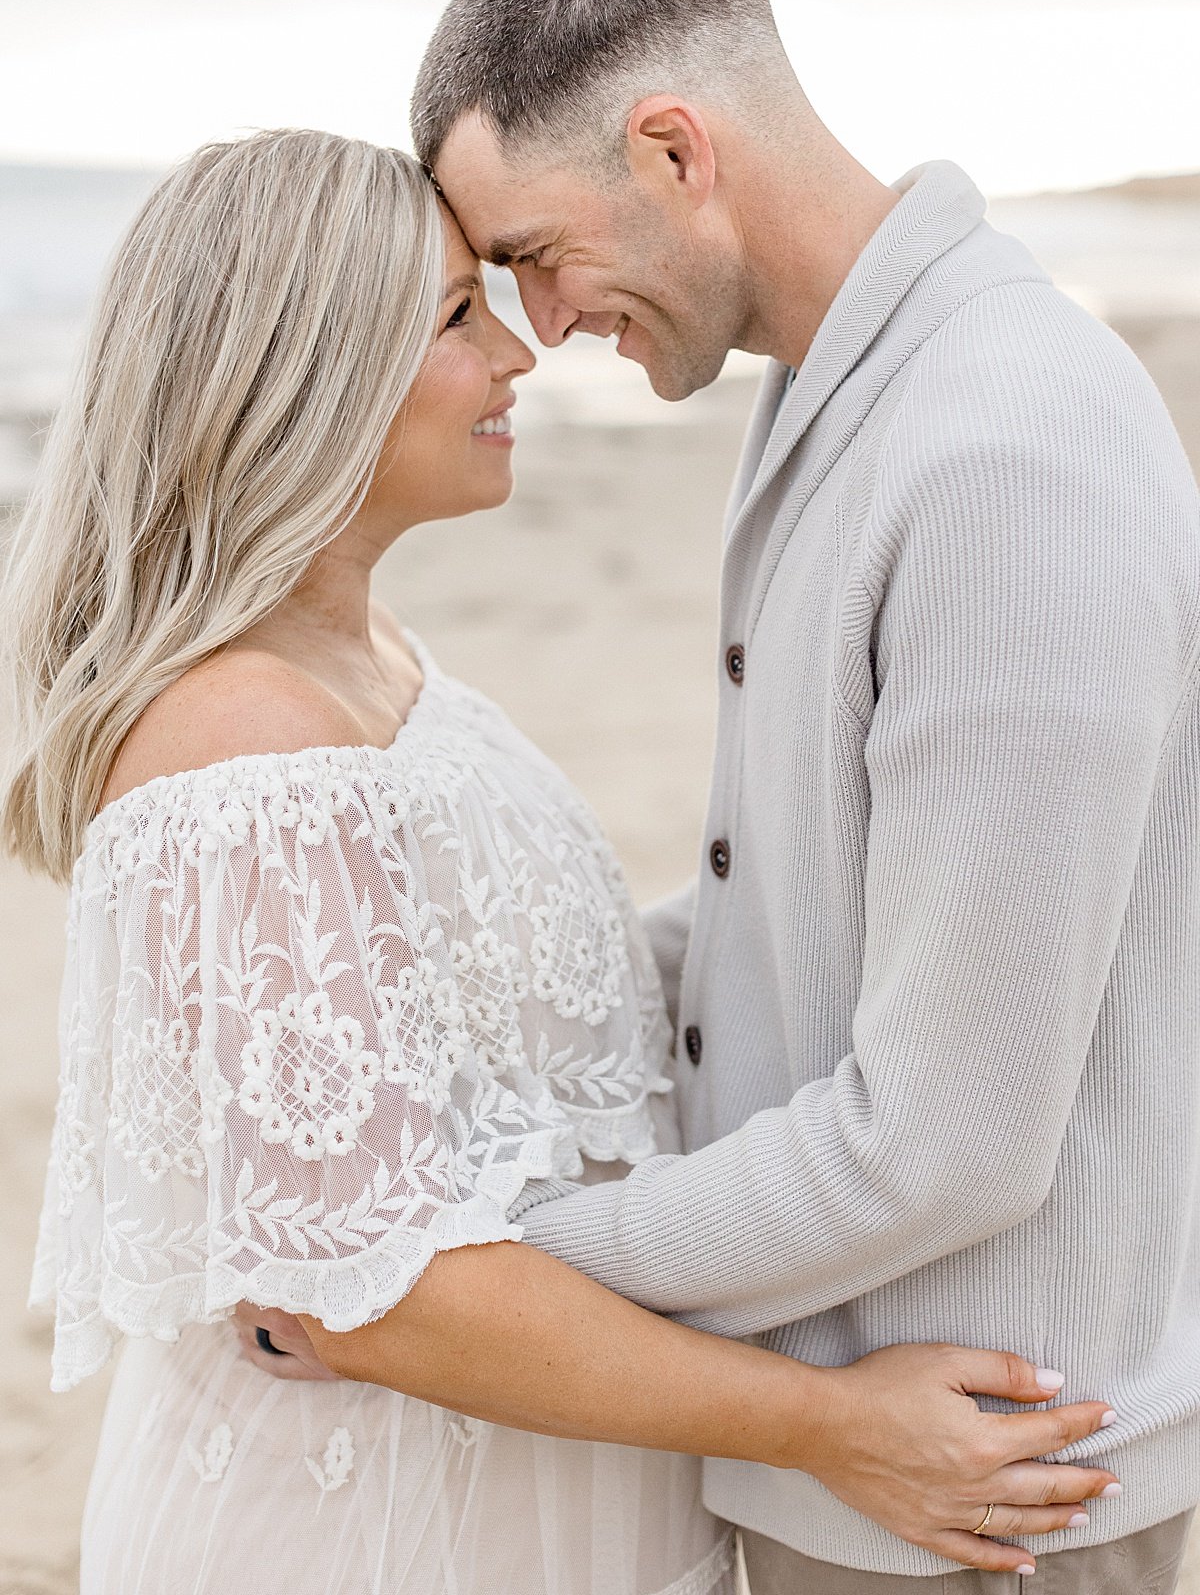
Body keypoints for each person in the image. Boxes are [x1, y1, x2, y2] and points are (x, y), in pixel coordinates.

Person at [5, 129, 1117, 1595]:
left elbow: (519, 990)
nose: (519, 355)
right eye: (459, 318)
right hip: (374, 1540)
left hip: (537, 1505)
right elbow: (370, 1298)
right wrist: (834, 1428)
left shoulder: (364, 654)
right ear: (307, 377)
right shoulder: (243, 743)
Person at [405, 0, 1200, 1592]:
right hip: (883, 1474)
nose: (542, 327)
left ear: (675, 148)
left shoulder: (1000, 449)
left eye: (538, 252)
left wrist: (490, 1263)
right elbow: (799, 901)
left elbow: (947, 1139)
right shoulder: (851, 394)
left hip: (986, 1502)